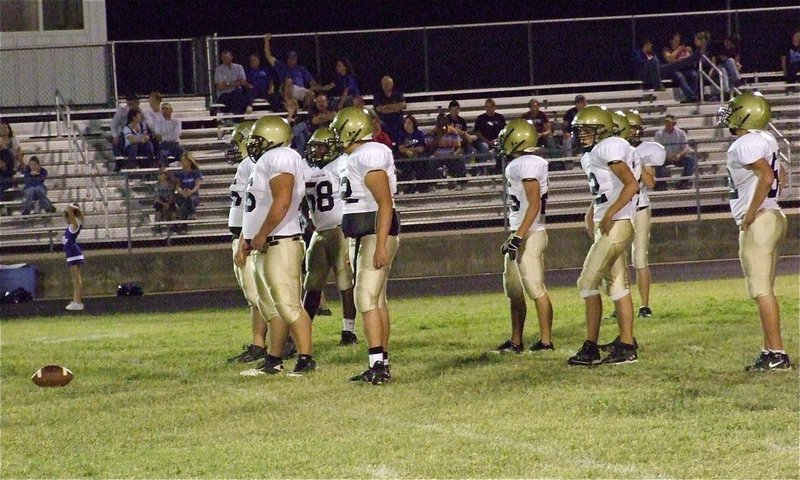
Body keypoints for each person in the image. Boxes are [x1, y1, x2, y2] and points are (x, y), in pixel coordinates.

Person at [238, 115, 315, 376]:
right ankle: (274, 359)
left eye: (258, 140)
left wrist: (261, 234)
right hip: (265, 243)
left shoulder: (281, 156)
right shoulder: (267, 160)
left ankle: (306, 359)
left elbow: (282, 200)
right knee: (272, 308)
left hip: (279, 241)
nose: (253, 145)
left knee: (289, 306)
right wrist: (247, 237)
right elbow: (256, 207)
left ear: (274, 138)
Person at [718, 91, 790, 371]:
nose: (729, 114)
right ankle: (770, 350)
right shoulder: (766, 138)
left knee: (761, 291)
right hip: (774, 215)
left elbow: (768, 176)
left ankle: (777, 353)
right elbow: (781, 174)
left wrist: (750, 212)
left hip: (760, 222)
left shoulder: (743, 144)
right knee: (765, 290)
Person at [331, 106, 400, 385]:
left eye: (339, 130)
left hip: (375, 232)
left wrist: (381, 244)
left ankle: (377, 366)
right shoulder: (351, 157)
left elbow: (385, 204)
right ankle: (380, 362)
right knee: (376, 299)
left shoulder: (369, 154)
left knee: (365, 298)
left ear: (352, 130)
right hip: (362, 234)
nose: (336, 135)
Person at [568, 106, 639, 366]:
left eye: (587, 130)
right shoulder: (594, 154)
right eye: (580, 131)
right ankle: (627, 345)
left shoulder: (610, 147)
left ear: (603, 130)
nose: (582, 135)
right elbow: (606, 190)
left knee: (587, 281)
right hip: (610, 221)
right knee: (618, 287)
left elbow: (631, 184)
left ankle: (591, 347)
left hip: (618, 223)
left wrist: (610, 213)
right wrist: (593, 213)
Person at [492, 119, 554, 354]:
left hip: (531, 233)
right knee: (515, 291)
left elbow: (534, 204)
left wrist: (518, 236)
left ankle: (546, 341)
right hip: (520, 232)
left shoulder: (525, 165)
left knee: (535, 288)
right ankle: (516, 341)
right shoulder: (521, 164)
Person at [301, 127, 358, 346]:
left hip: (340, 228)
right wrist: (307, 218)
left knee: (344, 280)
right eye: (314, 147)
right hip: (319, 231)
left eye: (320, 146)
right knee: (312, 282)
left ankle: (348, 331)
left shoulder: (342, 163)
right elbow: (300, 197)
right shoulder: (307, 167)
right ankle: (301, 331)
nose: (316, 151)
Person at [225, 121, 270, 364]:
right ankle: (258, 343)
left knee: (260, 296)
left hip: (248, 237)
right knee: (255, 298)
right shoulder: (249, 164)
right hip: (243, 235)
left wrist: (245, 236)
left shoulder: (253, 165)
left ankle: (277, 342)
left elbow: (254, 206)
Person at [625, 110, 664, 319]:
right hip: (620, 209)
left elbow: (651, 183)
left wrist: (636, 162)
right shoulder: (613, 150)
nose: (633, 133)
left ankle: (644, 305)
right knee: (616, 260)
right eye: (629, 128)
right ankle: (620, 305)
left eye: (635, 129)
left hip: (639, 207)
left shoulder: (645, 151)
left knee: (639, 258)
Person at [264, 33, 317, 107]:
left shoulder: (301, 69)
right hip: (287, 89)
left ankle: (305, 110)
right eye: (289, 58)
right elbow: (268, 56)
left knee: (311, 94)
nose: (291, 60)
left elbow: (312, 82)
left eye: (293, 58)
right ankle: (289, 104)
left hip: (299, 90)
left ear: (296, 59)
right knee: (288, 81)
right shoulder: (282, 66)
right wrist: (266, 41)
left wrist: (311, 89)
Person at [653, 114, 696, 190]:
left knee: (690, 161)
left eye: (669, 122)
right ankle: (661, 184)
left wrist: (679, 155)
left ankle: (683, 183)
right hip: (664, 157)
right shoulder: (659, 134)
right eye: (666, 122)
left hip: (678, 157)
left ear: (674, 123)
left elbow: (686, 148)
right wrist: (666, 156)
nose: (667, 124)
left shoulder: (681, 133)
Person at [396, 114, 434, 194]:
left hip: (418, 157)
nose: (407, 125)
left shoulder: (419, 134)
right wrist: (411, 150)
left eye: (409, 123)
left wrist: (409, 149)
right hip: (405, 158)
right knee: (406, 166)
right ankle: (408, 187)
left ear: (413, 124)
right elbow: (401, 148)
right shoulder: (401, 134)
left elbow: (421, 148)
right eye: (405, 123)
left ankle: (422, 186)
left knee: (422, 164)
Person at [426, 112, 466, 188]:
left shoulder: (453, 131)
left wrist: (454, 154)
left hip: (450, 156)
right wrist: (438, 137)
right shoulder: (432, 132)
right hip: (437, 157)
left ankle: (462, 182)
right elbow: (429, 149)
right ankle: (432, 184)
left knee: (460, 158)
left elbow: (458, 147)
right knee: (431, 160)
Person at [660, 32, 699, 103]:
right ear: (671, 41)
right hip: (672, 71)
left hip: (683, 68)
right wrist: (678, 50)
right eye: (676, 41)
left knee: (694, 74)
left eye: (679, 41)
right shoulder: (666, 49)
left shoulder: (682, 49)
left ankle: (690, 97)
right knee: (680, 76)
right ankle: (692, 96)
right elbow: (669, 59)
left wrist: (689, 52)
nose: (678, 42)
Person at [171, 152, 202, 232]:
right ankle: (192, 213)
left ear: (189, 162)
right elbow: (177, 186)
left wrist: (190, 192)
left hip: (193, 195)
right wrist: (182, 192)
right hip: (181, 195)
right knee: (184, 199)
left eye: (184, 160)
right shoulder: (179, 173)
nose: (182, 162)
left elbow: (197, 186)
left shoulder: (196, 172)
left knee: (185, 205)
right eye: (182, 160)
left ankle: (183, 227)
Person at [473, 99, 506, 173]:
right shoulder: (480, 118)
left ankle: (498, 169)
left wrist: (497, 140)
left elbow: (504, 131)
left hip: (497, 141)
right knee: (484, 147)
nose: (488, 109)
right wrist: (487, 141)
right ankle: (481, 169)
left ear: (494, 107)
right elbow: (477, 132)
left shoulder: (500, 117)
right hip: (483, 141)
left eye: (490, 107)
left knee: (500, 147)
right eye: (486, 107)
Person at [63, 203, 85, 311]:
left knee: (76, 279)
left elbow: (69, 207)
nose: (65, 219)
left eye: (66, 217)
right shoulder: (72, 225)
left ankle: (78, 302)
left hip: (73, 254)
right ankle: (76, 300)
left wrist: (74, 208)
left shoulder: (75, 225)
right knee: (75, 279)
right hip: (71, 253)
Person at [214, 49, 250, 115]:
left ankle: (236, 117)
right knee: (236, 99)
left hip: (238, 93)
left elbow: (243, 82)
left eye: (227, 57)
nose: (225, 59)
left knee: (239, 95)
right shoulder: (218, 70)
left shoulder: (239, 67)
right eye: (224, 57)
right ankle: (237, 117)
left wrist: (227, 83)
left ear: (232, 57)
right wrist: (235, 82)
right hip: (224, 95)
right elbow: (220, 87)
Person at [373, 75, 406, 143]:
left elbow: (403, 105)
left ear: (392, 84)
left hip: (398, 121)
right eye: (383, 84)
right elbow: (379, 109)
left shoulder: (397, 93)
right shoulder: (378, 95)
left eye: (387, 83)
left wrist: (387, 107)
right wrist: (395, 107)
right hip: (384, 121)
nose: (385, 85)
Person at [153, 169, 177, 234]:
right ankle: (158, 228)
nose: (159, 176)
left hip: (169, 201)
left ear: (166, 175)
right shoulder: (157, 185)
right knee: (158, 212)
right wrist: (163, 204)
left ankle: (173, 227)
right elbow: (157, 197)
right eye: (159, 174)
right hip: (160, 201)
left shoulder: (171, 184)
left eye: (161, 174)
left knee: (173, 213)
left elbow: (172, 195)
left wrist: (168, 203)